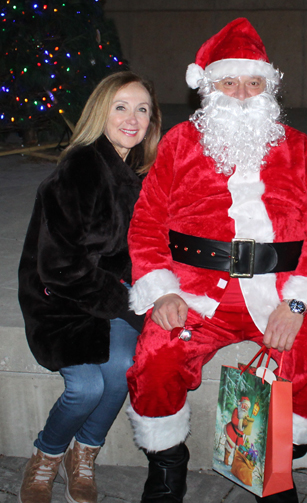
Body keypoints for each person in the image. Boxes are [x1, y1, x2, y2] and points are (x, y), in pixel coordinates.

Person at [125, 18, 307, 503]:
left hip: (278, 294)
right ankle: (167, 461)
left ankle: (277, 458)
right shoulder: (179, 144)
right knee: (157, 355)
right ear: (210, 88)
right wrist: (161, 288)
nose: (242, 93)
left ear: (268, 87)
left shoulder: (303, 151)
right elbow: (146, 223)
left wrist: (297, 304)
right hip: (197, 295)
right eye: (229, 82)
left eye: (253, 82)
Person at [17, 71, 162, 503]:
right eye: (121, 107)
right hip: (56, 298)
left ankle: (85, 452)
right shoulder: (81, 168)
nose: (132, 118)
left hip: (104, 293)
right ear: (101, 112)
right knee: (88, 387)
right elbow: (60, 268)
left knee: (120, 373)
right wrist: (135, 306)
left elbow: (141, 247)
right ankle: (47, 453)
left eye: (142, 109)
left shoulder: (131, 171)